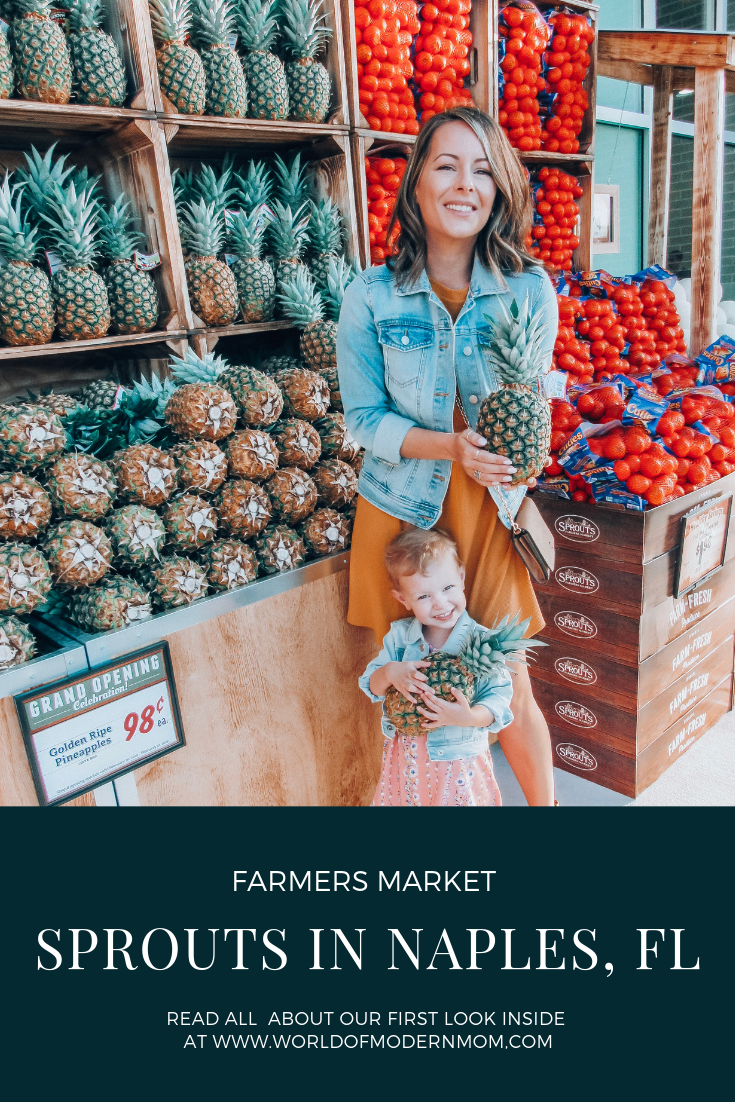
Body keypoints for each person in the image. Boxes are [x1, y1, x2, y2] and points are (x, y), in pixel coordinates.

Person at [337, 106, 558, 806]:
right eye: (446, 164)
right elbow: (362, 420)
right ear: (416, 184)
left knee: (508, 678)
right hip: (400, 507)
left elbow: (533, 412)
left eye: (483, 169)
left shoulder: (528, 289)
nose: (465, 183)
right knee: (416, 681)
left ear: (499, 191)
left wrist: (519, 459)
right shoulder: (368, 294)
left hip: (490, 510)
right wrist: (450, 446)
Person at [360, 527, 513, 807]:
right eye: (423, 597)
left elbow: (499, 703)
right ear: (403, 599)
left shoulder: (482, 643)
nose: (440, 603)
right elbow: (371, 685)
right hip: (407, 762)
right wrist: (390, 672)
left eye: (447, 588)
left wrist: (468, 717)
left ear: (462, 578)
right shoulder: (399, 637)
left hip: (459, 763)